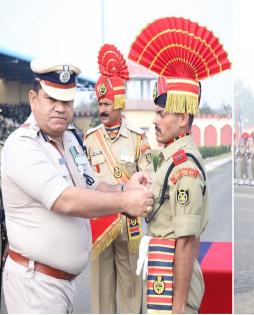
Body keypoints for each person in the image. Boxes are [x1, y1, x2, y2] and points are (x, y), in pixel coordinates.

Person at [0, 60, 154, 313]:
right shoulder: (23, 146)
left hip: (61, 284)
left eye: (67, 101)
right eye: (52, 99)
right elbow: (66, 200)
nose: (60, 109)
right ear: (33, 99)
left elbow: (90, 186)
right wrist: (125, 203)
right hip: (35, 286)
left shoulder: (70, 139)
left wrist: (125, 190)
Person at [128, 16, 231, 313]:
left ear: (182, 118)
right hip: (164, 267)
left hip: (176, 275)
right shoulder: (172, 159)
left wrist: (176, 309)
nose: (155, 120)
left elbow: (186, 242)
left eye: (162, 114)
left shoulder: (185, 167)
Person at [83, 44, 154, 314]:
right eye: (99, 103)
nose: (102, 108)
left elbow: (148, 176)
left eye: (106, 103)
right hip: (99, 222)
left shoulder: (137, 137)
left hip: (129, 223)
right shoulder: (90, 139)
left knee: (131, 288)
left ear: (119, 103)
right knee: (101, 291)